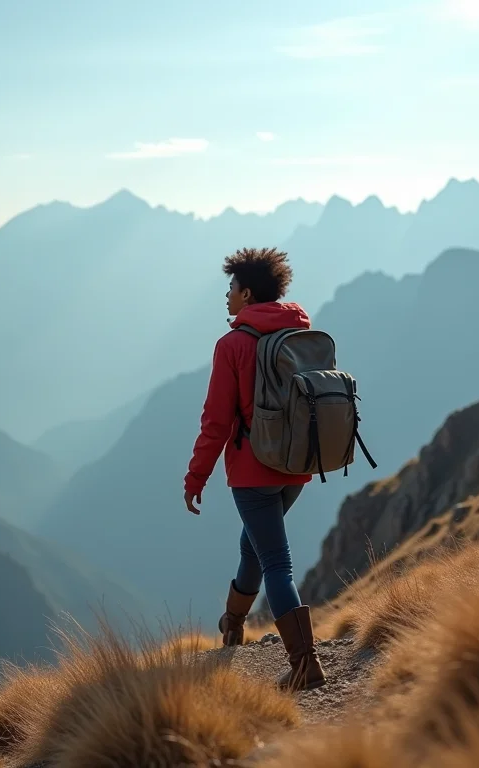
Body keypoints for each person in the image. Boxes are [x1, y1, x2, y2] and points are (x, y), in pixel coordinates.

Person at [183, 247, 326, 691]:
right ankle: (232, 624)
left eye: (230, 288)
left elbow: (216, 421)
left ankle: (305, 665)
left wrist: (196, 477)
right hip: (296, 467)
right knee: (255, 548)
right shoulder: (298, 331)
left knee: (276, 564)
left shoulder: (233, 345)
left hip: (253, 472)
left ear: (246, 293)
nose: (226, 296)